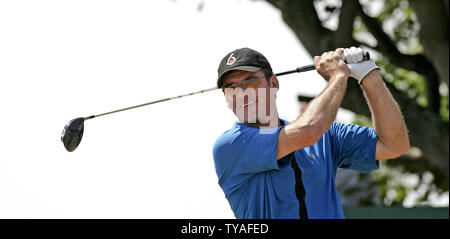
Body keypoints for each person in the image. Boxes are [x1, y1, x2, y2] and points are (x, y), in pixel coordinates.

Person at [212, 47, 409, 219]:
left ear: (273, 84)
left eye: (250, 83)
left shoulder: (328, 135)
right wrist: (338, 76)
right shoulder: (230, 145)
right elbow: (309, 130)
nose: (242, 94)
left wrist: (369, 75)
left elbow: (394, 144)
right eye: (231, 88)